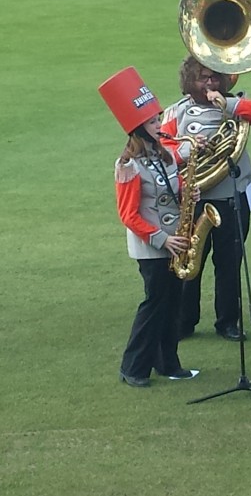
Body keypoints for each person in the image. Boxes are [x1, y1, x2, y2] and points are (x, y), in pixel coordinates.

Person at [98, 67, 200, 388]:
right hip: (152, 247)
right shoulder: (127, 165)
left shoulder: (165, 155)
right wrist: (162, 240)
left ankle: (168, 362)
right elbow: (128, 214)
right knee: (154, 305)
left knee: (172, 305)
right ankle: (133, 366)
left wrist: (188, 193)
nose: (161, 125)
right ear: (139, 127)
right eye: (154, 121)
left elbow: (171, 189)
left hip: (175, 240)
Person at [161, 55, 251, 342]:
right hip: (194, 199)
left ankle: (228, 321)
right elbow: (161, 150)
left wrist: (228, 103)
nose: (210, 83)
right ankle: (184, 321)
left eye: (214, 78)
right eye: (203, 78)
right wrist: (189, 149)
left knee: (229, 262)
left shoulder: (236, 107)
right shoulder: (178, 112)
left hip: (232, 196)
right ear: (190, 82)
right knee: (190, 261)